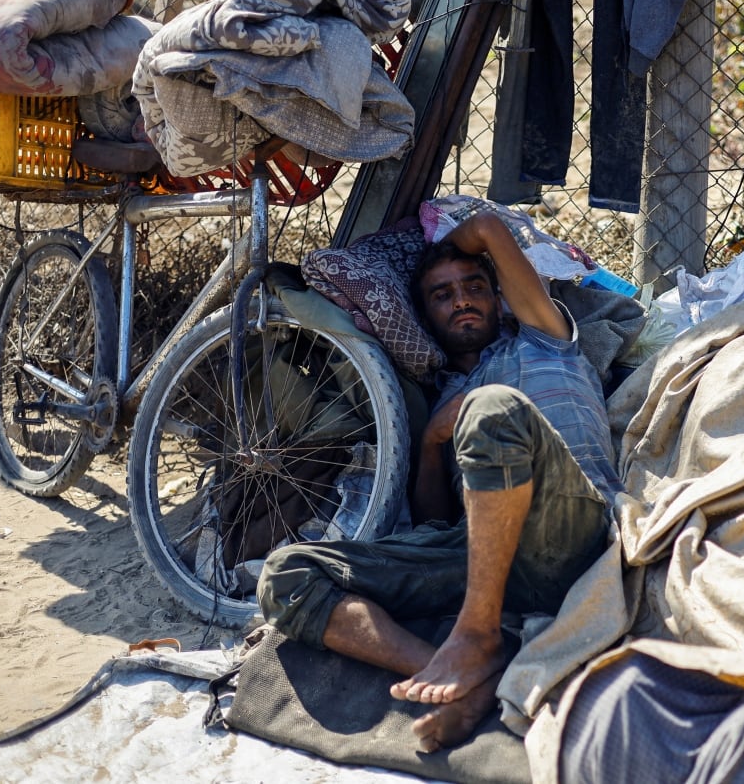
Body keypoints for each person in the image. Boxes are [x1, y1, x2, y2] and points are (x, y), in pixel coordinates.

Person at [256, 211, 622, 752]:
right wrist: (431, 441)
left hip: (573, 523)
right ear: (425, 318)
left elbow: (489, 230)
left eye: (474, 287)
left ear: (499, 301)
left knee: (492, 409)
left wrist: (442, 248)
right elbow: (434, 524)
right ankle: (467, 674)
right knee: (287, 574)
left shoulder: (544, 338)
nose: (462, 301)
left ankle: (474, 636)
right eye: (442, 295)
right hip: (488, 562)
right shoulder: (440, 392)